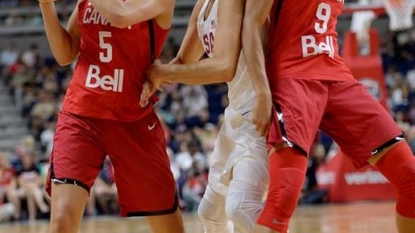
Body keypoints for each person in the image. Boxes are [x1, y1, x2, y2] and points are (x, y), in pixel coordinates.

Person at [242, 0, 415, 233]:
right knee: (285, 191)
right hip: (293, 76)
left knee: (410, 178)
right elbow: (251, 23)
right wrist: (262, 91)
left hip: (336, 75)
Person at [38, 0, 185, 233]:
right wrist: (46, 6)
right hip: (81, 116)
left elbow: (120, 16)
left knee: (170, 229)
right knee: (61, 223)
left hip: (134, 119)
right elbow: (67, 53)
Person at [141, 0, 273, 232]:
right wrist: (148, 79)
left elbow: (223, 67)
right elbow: (182, 63)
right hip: (235, 114)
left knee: (241, 208)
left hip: (259, 111)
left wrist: (161, 72)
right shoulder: (202, 6)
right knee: (211, 213)